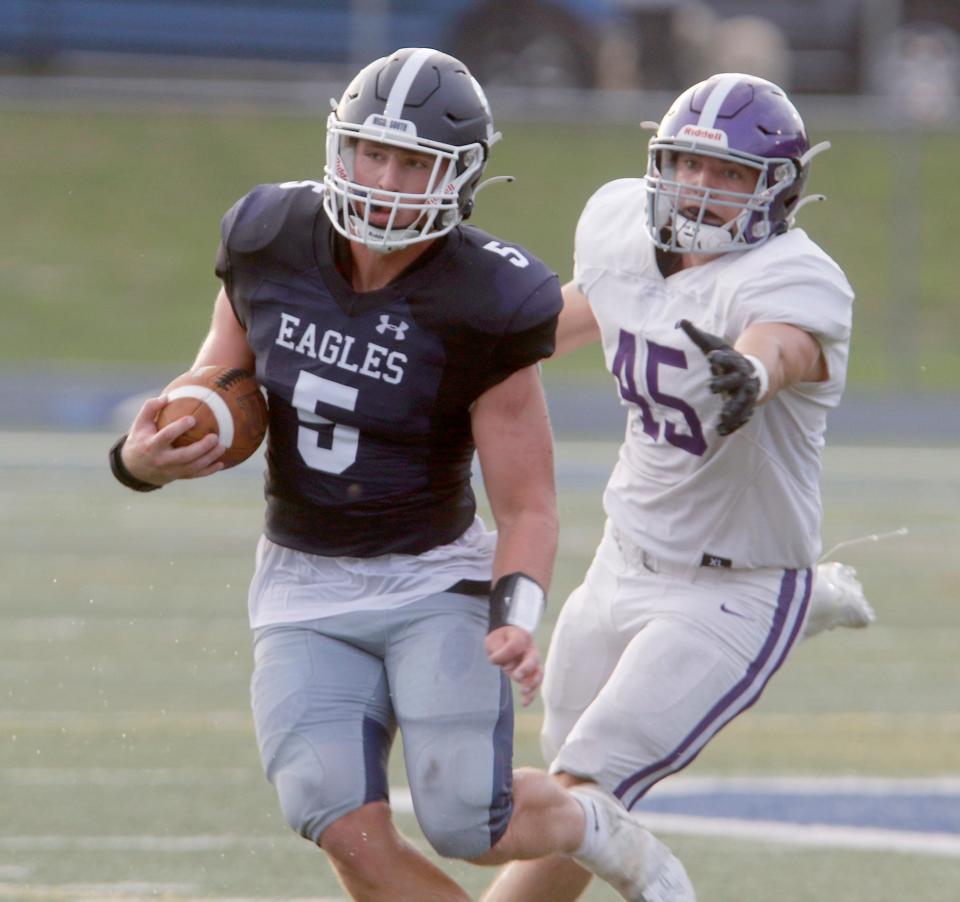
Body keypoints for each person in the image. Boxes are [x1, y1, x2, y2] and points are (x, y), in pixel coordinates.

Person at [108, 48, 695, 902]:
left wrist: (515, 611)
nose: (384, 178)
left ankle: (592, 826)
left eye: (413, 161)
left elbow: (528, 504)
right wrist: (139, 460)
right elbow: (215, 384)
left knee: (468, 823)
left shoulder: (487, 297)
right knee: (336, 819)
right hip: (303, 581)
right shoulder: (270, 236)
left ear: (458, 177)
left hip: (433, 580)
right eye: (370, 152)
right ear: (337, 148)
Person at [482, 72, 873, 902]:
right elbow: (589, 308)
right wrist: (465, 354)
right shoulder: (622, 225)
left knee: (575, 794)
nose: (700, 187)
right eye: (688, 164)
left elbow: (787, 345)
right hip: (622, 561)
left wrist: (752, 373)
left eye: (730, 173)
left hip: (734, 588)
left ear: (778, 192)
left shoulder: (792, 276)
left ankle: (662, 881)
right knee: (575, 788)